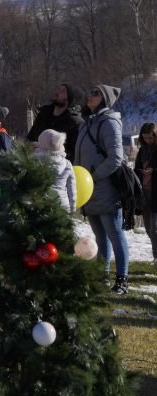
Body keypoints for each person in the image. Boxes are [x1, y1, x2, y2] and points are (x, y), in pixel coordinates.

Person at [73, 84, 128, 294]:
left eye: (95, 93)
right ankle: (101, 277)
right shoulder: (88, 123)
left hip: (105, 189)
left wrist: (92, 177)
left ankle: (122, 279)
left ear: (104, 99)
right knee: (100, 237)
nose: (90, 95)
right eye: (90, 91)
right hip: (89, 191)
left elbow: (116, 158)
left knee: (115, 234)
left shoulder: (109, 122)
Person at [27, 83, 84, 162]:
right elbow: (30, 137)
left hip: (58, 168)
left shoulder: (75, 123)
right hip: (34, 163)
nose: (57, 92)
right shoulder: (44, 114)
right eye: (58, 89)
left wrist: (51, 155)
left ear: (69, 98)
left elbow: (73, 152)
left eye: (63, 91)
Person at [133, 121, 157, 264]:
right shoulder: (142, 150)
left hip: (156, 194)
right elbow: (137, 168)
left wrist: (153, 171)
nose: (148, 140)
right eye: (145, 138)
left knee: (154, 227)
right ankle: (156, 256)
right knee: (148, 228)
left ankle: (156, 257)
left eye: (150, 137)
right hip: (144, 193)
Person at [35, 128, 75, 212]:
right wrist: (72, 206)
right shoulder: (67, 163)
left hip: (42, 205)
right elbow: (71, 188)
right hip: (63, 205)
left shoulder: (36, 161)